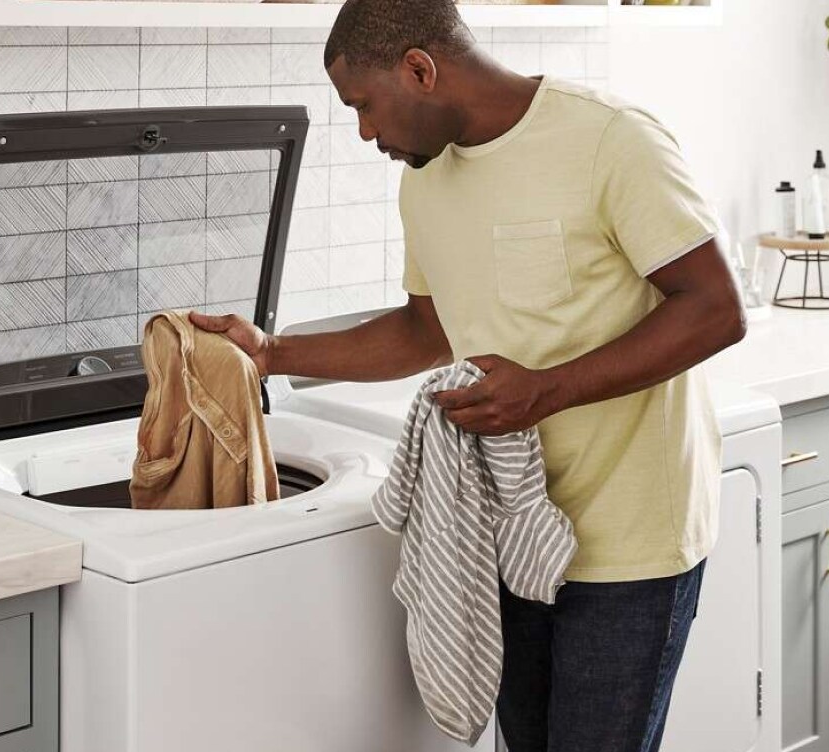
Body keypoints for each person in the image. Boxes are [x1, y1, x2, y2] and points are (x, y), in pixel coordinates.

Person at [190, 0, 746, 749]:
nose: (363, 131)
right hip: (506, 529)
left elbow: (715, 309)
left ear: (420, 68)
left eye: (363, 105)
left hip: (630, 543)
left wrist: (548, 389)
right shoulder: (424, 180)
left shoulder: (610, 140)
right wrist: (273, 352)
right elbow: (428, 328)